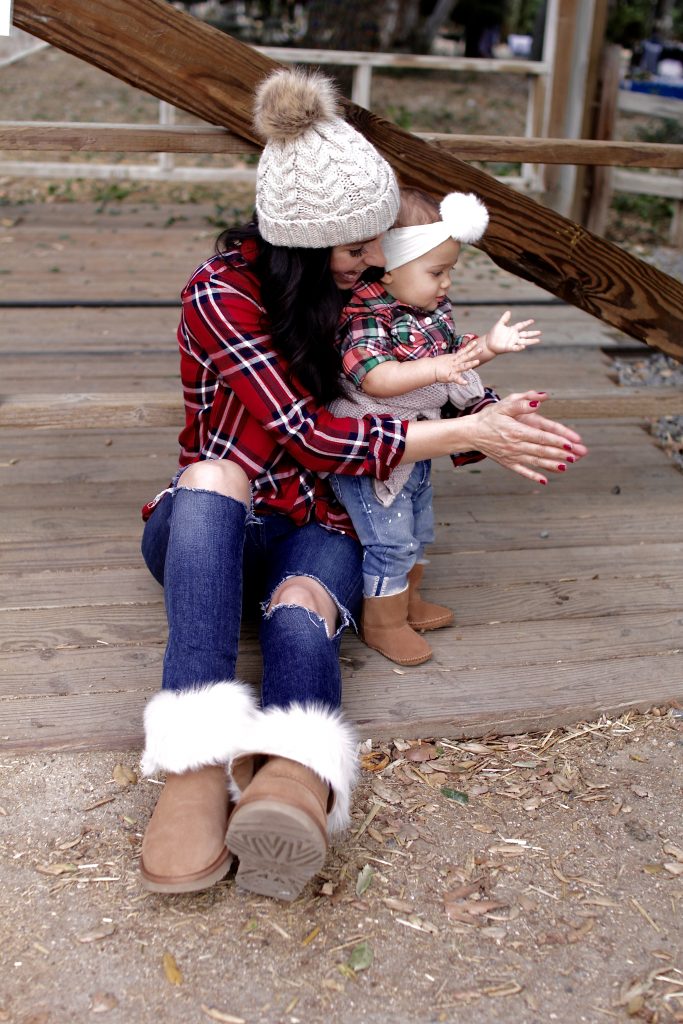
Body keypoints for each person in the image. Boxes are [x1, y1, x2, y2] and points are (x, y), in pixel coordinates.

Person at [137, 67, 587, 903]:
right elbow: (308, 432)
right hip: (214, 530)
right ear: (297, 249)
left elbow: (419, 383)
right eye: (355, 248)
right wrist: (464, 430)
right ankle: (195, 765)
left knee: (305, 609)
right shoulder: (224, 293)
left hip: (321, 525)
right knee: (209, 473)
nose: (376, 260)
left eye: (379, 241)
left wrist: (488, 412)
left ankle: (292, 781)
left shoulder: (365, 296)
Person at [329, 187, 541, 666]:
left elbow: (456, 358)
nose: (446, 283)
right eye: (436, 271)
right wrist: (438, 369)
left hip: (420, 441)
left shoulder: (430, 312)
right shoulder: (364, 316)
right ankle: (382, 622)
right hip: (373, 453)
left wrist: (488, 344)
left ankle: (405, 602)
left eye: (450, 271)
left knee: (419, 527)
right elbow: (377, 377)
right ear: (391, 267)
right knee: (390, 538)